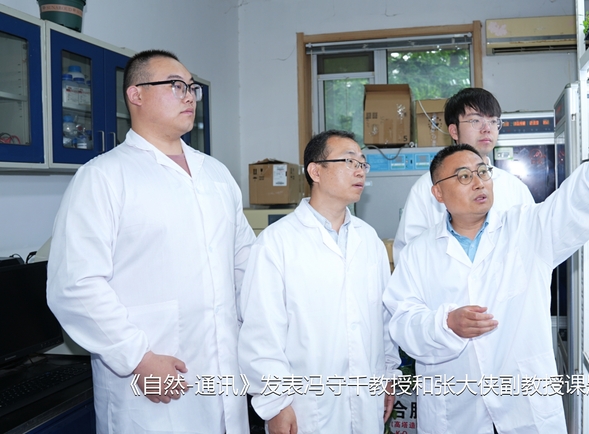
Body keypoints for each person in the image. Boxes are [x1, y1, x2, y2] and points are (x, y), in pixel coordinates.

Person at [383, 116, 589, 434]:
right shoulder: (418, 252)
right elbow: (402, 321)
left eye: (482, 172)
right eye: (464, 176)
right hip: (455, 410)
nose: (479, 183)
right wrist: (446, 325)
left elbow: (577, 202)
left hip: (523, 403)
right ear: (438, 193)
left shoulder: (527, 228)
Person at [47, 49, 255, 434]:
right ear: (136, 94)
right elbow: (75, 285)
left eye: (192, 87)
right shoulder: (103, 177)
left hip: (224, 376)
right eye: (176, 86)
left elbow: (245, 264)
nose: (189, 95)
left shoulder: (217, 175)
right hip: (148, 384)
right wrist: (138, 358)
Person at [238, 130, 400, 434]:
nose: (359, 171)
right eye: (349, 161)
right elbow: (261, 333)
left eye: (362, 163)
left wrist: (388, 376)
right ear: (315, 171)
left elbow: (383, 318)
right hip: (305, 408)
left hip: (367, 399)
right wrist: (275, 404)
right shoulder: (276, 242)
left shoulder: (369, 240)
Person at [393, 88, 534, 262]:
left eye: (493, 121)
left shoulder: (515, 188)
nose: (486, 128)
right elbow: (407, 255)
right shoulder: (427, 187)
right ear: (454, 131)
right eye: (476, 120)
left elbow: (534, 245)